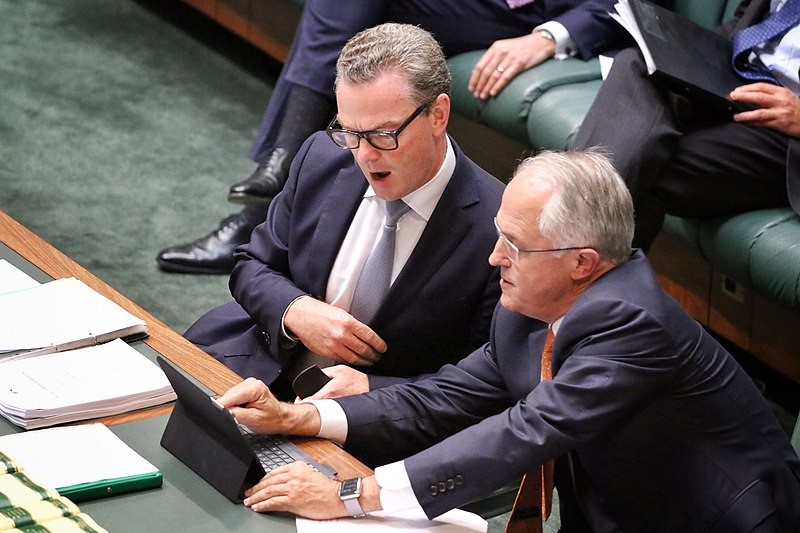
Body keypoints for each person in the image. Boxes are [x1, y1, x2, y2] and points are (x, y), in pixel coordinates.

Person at [216, 150, 800, 531]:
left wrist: (350, 495)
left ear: (582, 263)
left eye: (514, 245)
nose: (495, 258)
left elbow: (525, 431)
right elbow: (443, 397)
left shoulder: (634, 324)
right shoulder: (527, 308)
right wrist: (299, 419)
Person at [156, 0, 667, 274]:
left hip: (534, 14)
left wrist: (547, 37)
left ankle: (274, 185)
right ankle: (282, 181)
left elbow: (628, 4)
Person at [183, 23, 505, 399]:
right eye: (350, 132)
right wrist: (295, 310)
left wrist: (375, 388)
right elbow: (252, 264)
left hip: (376, 419)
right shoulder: (323, 156)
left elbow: (484, 380)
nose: (364, 156)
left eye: (384, 135)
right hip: (258, 361)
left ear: (438, 114)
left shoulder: (498, 225)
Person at [573, 0, 800, 251]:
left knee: (644, 164)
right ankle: (564, 254)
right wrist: (683, 49)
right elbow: (746, 24)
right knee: (638, 62)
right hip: (742, 76)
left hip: (789, 135)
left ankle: (558, 249)